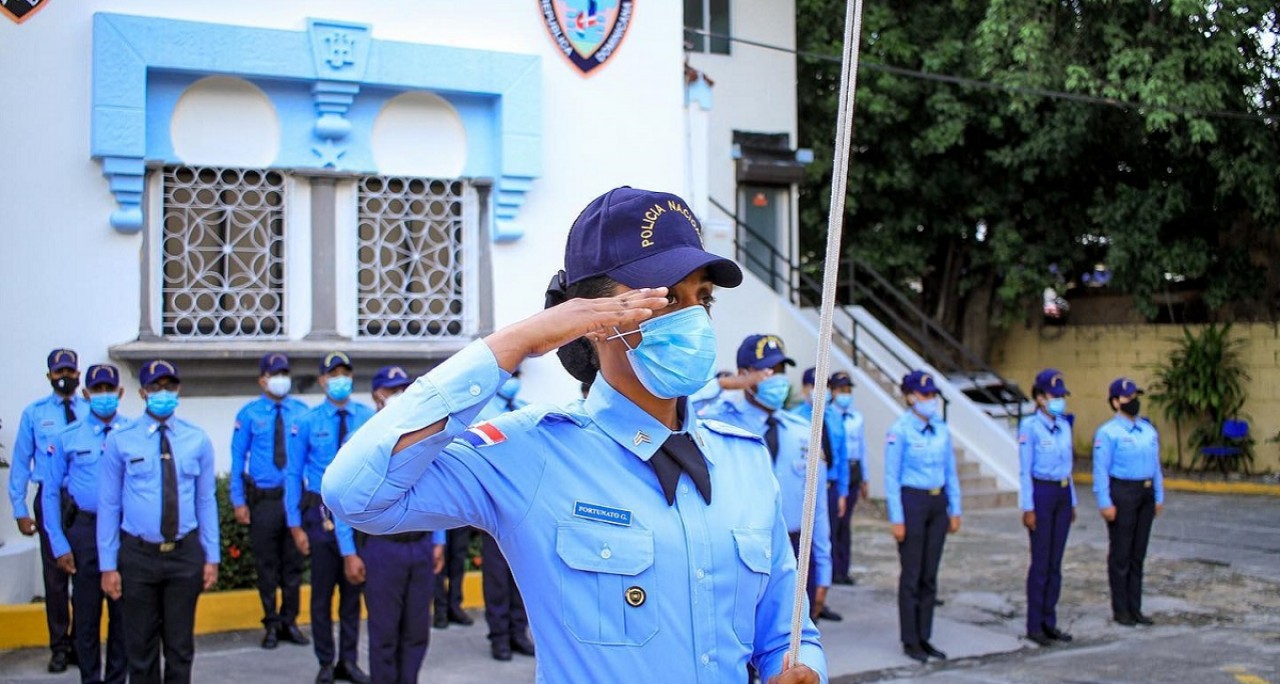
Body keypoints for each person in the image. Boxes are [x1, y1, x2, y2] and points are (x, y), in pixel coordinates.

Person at [323, 186, 825, 683]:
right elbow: (357, 496)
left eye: (703, 299)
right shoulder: (532, 452)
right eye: (668, 297)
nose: (694, 318)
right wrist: (516, 342)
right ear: (590, 318)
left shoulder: (742, 458)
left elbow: (786, 631)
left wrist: (803, 668)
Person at [98, 360, 219, 684]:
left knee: (180, 649)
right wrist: (108, 565)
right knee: (141, 651)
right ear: (142, 392)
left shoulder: (197, 439)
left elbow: (206, 500)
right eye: (155, 387)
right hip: (139, 556)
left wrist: (212, 556)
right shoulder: (121, 440)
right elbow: (109, 505)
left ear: (178, 390)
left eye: (169, 386)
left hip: (183, 555)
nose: (162, 393)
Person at [703, 338, 835, 623]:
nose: (775, 378)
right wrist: (725, 384)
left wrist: (824, 567)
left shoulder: (802, 430)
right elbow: (680, 403)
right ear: (744, 374)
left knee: (794, 641)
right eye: (766, 371)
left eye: (779, 370)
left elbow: (817, 504)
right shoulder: (716, 421)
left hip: (796, 548)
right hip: (740, 550)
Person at [286, 352, 373, 684]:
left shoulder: (366, 417)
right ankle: (325, 661)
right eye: (333, 375)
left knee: (352, 592)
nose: (340, 380)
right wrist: (294, 524)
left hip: (356, 514)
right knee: (322, 595)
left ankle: (348, 661)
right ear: (322, 381)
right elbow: (293, 473)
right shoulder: (307, 421)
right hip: (319, 516)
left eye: (345, 374)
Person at [42, 364, 128, 684]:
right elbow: (50, 492)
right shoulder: (67, 436)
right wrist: (59, 543)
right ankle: (90, 679)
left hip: (123, 531)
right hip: (85, 531)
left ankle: (117, 679)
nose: (104, 395)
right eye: (98, 390)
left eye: (109, 389)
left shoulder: (133, 433)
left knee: (123, 615)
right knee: (87, 615)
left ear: (120, 392)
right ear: (86, 393)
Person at [360, 366, 446, 684]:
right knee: (384, 632)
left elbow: (434, 491)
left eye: (403, 389)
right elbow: (344, 497)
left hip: (419, 545)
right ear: (377, 395)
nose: (399, 395)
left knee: (416, 631)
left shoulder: (422, 435)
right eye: (392, 390)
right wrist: (348, 551)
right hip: (383, 547)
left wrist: (438, 540)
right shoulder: (363, 437)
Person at [10, 348, 86, 672]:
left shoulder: (90, 409)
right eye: (59, 372)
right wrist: (19, 508)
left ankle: (81, 642)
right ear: (49, 376)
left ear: (78, 374)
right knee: (55, 577)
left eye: (69, 371)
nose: (65, 377)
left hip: (83, 499)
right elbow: (21, 462)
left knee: (85, 574)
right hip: (51, 499)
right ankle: (59, 646)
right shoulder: (34, 413)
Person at [229, 353, 310, 649]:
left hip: (294, 499)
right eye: (275, 374)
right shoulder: (249, 414)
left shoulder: (302, 412)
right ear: (262, 380)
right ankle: (271, 623)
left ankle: (290, 621)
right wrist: (238, 500)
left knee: (293, 564)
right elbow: (238, 458)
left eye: (284, 373)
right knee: (267, 566)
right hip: (264, 501)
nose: (281, 379)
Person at [884, 370, 961, 664]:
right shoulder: (900, 430)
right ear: (910, 397)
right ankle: (910, 639)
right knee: (912, 574)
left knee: (930, 575)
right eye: (925, 395)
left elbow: (950, 470)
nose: (930, 400)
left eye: (933, 395)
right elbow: (891, 477)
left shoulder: (941, 428)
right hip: (912, 501)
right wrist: (897, 518)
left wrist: (955, 508)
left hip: (937, 502)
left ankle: (925, 636)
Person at [473, 366, 536, 660]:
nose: (514, 381)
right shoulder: (485, 415)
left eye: (518, 376)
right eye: (511, 375)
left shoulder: (525, 410)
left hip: (525, 507)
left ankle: (518, 632)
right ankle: (499, 636)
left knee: (522, 574)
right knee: (497, 577)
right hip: (497, 506)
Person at [1093, 377, 1164, 628]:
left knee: (1138, 553)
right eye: (1127, 398)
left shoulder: (1148, 430)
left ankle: (1136, 608)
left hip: (1145, 492)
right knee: (1121, 554)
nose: (1133, 402)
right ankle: (1121, 609)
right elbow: (1101, 470)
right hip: (1122, 492)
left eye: (1135, 397)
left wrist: (1159, 495)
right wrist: (1105, 501)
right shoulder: (1108, 432)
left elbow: (1156, 465)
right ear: (1115, 402)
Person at [1019, 369, 1077, 646]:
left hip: (1062, 492)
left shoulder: (1064, 426)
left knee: (1056, 562)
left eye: (1061, 396)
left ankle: (1049, 621)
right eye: (1053, 396)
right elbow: (1024, 470)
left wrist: (1072, 500)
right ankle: (1035, 624)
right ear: (1040, 398)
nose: (1058, 401)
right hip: (1041, 491)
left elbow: (1068, 466)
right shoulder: (1030, 427)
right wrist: (1028, 507)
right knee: (1041, 562)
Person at [827, 371, 867, 586]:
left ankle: (844, 568)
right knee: (833, 524)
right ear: (832, 391)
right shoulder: (827, 416)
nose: (845, 394)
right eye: (841, 390)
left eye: (848, 390)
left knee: (845, 523)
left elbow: (862, 447)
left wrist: (865, 477)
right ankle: (832, 569)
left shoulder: (856, 417)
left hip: (853, 470)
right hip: (836, 471)